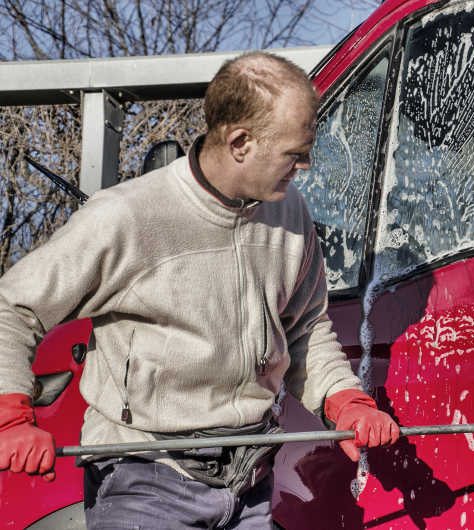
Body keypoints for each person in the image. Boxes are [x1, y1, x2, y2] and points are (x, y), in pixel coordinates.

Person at [0, 51, 399, 528]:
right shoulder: (126, 217)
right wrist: (9, 414)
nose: (306, 166)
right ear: (240, 142)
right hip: (143, 479)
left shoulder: (290, 216)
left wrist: (343, 399)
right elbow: (11, 308)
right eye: (295, 154)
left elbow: (306, 329)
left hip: (249, 479)